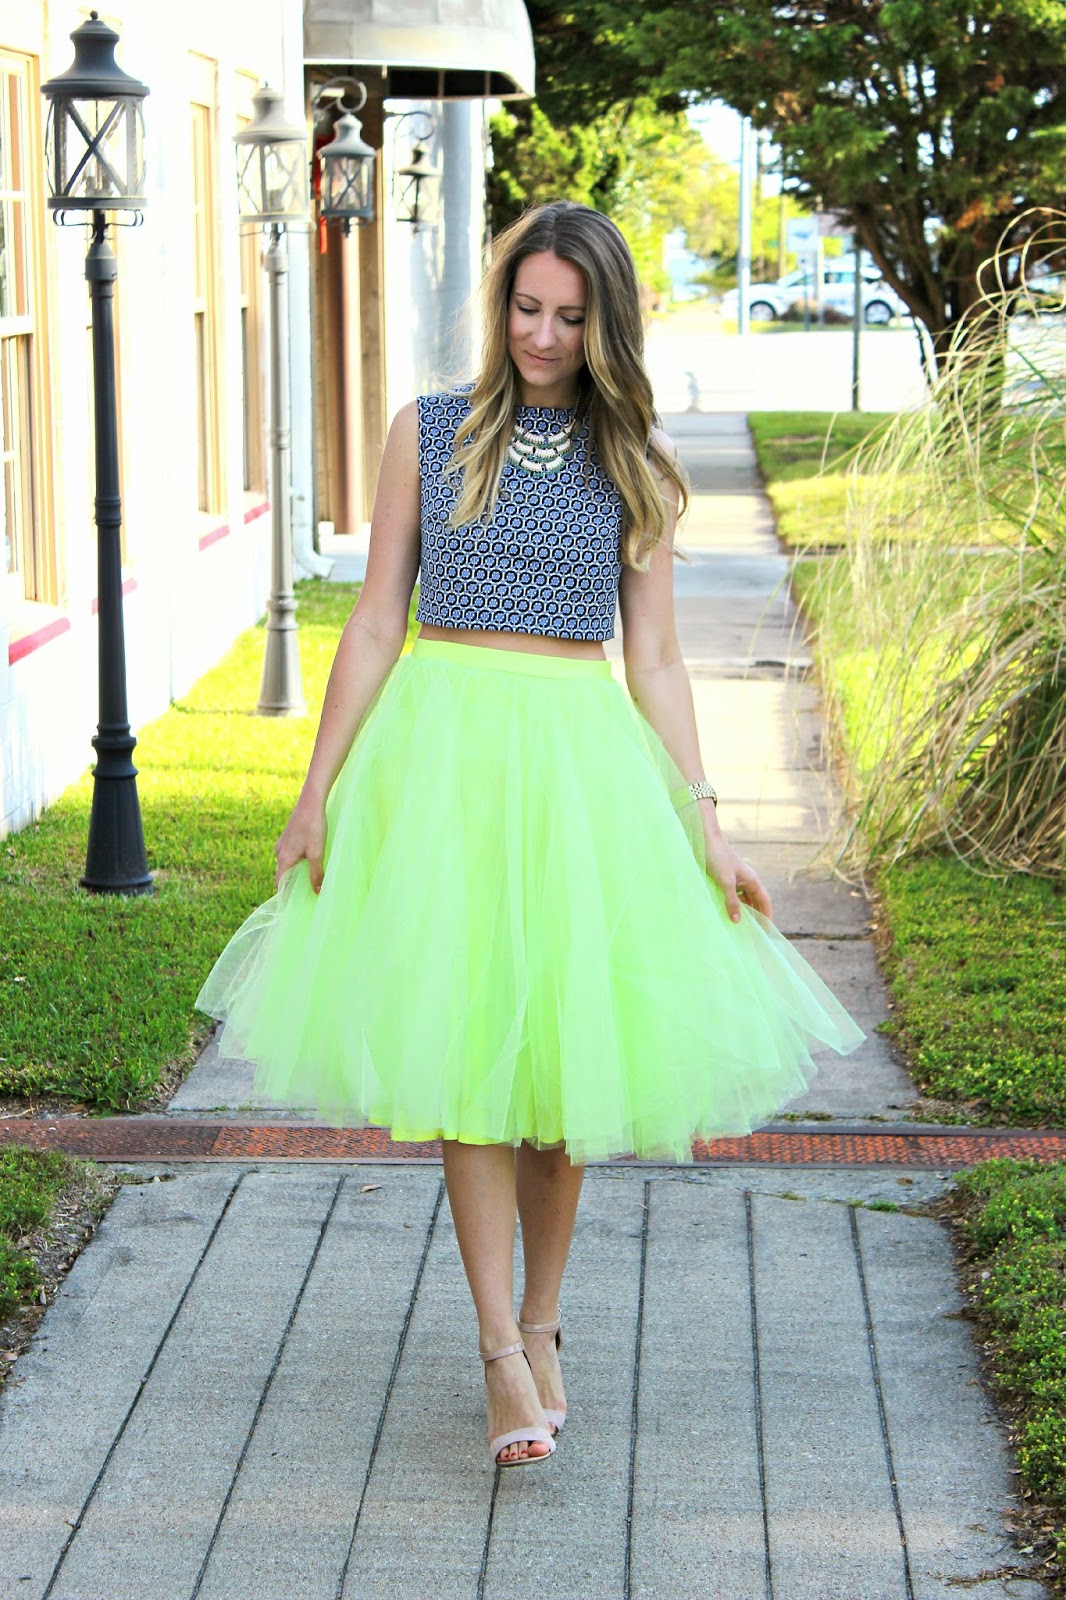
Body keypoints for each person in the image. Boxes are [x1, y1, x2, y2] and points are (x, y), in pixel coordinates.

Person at [196, 199, 865, 1472]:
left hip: (576, 770)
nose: (543, 335)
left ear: (606, 325)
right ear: (501, 302)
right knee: (467, 1056)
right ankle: (499, 1348)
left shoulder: (636, 459)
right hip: (442, 763)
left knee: (561, 1069)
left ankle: (544, 1319)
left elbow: (655, 657)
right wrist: (316, 787)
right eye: (526, 307)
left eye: (569, 316)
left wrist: (706, 823)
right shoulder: (430, 429)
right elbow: (377, 621)